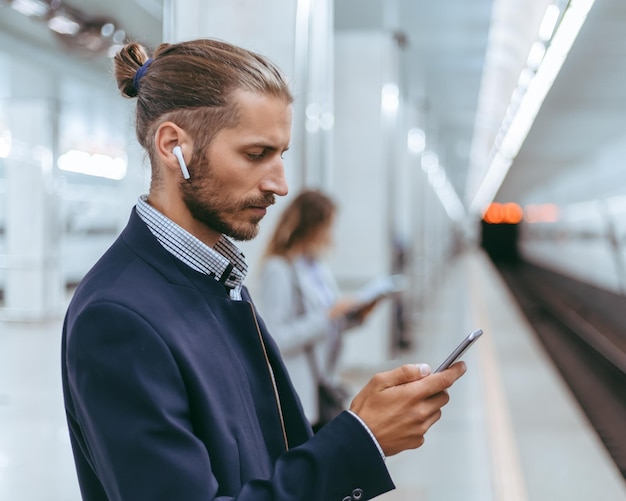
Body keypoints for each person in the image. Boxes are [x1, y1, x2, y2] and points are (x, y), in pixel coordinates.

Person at [61, 38, 466, 501]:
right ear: (174, 146)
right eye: (256, 154)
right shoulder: (118, 317)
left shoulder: (221, 283)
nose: (280, 184)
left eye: (281, 155)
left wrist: (363, 427)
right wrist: (360, 441)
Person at [257, 189, 375, 430]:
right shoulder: (279, 269)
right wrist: (327, 316)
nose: (331, 234)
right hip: (301, 390)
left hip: (324, 381)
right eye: (328, 226)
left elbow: (326, 322)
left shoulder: (316, 268)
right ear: (312, 226)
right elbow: (276, 339)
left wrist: (354, 316)